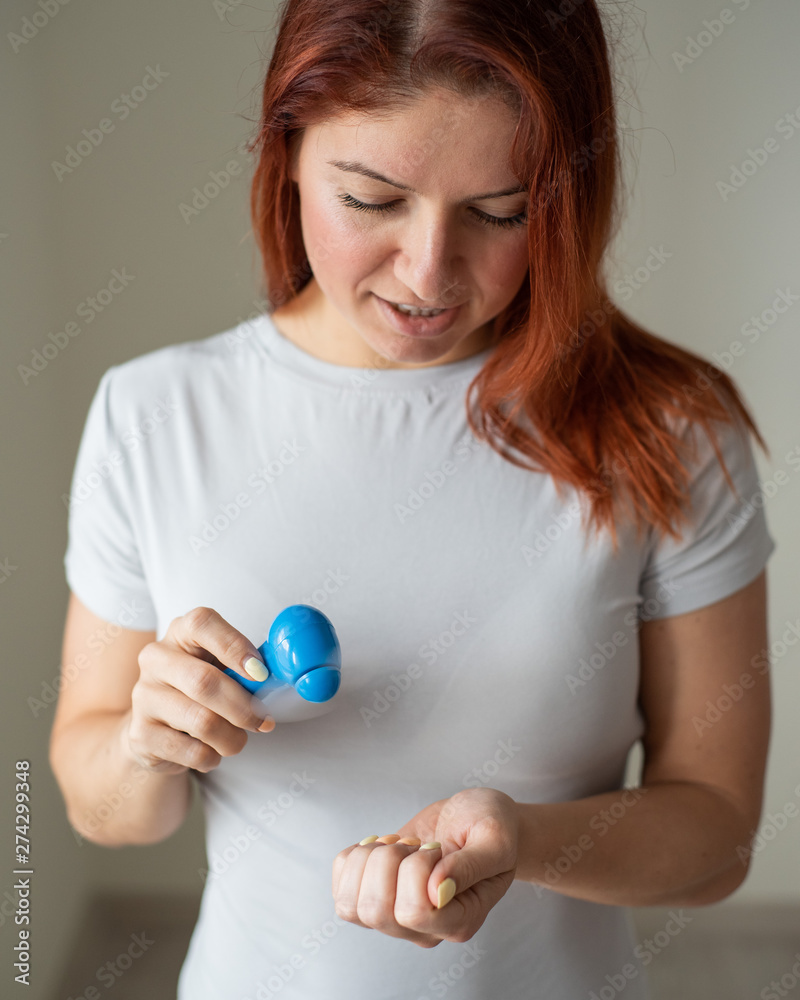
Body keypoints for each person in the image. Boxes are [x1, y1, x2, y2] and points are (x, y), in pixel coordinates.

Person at [50, 1, 777, 997]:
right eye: (371, 198)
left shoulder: (671, 430)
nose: (429, 272)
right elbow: (104, 806)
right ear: (287, 153)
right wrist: (148, 744)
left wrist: (522, 841)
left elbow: (715, 838)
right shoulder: (151, 416)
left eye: (499, 210)